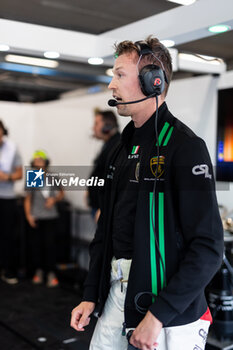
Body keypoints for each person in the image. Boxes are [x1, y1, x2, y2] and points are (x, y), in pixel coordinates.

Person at [70, 37, 224, 350]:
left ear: (152, 82)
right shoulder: (120, 148)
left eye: (119, 75)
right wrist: (89, 295)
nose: (111, 84)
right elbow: (106, 229)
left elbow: (208, 248)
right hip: (118, 291)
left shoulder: (186, 148)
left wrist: (158, 315)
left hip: (167, 309)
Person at [24, 150, 64, 287]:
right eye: (36, 161)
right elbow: (28, 199)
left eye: (41, 161)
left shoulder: (53, 177)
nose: (38, 164)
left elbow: (61, 193)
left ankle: (51, 273)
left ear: (46, 163)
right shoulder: (32, 177)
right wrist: (29, 215)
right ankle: (39, 271)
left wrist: (54, 199)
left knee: (50, 245)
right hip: (37, 216)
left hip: (51, 217)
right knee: (36, 246)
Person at [87, 109, 120, 221]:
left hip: (104, 207)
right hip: (98, 204)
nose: (93, 128)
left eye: (96, 124)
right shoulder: (108, 144)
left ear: (108, 127)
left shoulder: (117, 146)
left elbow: (116, 181)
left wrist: (105, 207)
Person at [0, 120, 22, 284]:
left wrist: (6, 177)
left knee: (7, 236)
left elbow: (19, 174)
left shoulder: (12, 148)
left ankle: (8, 270)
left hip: (6, 198)